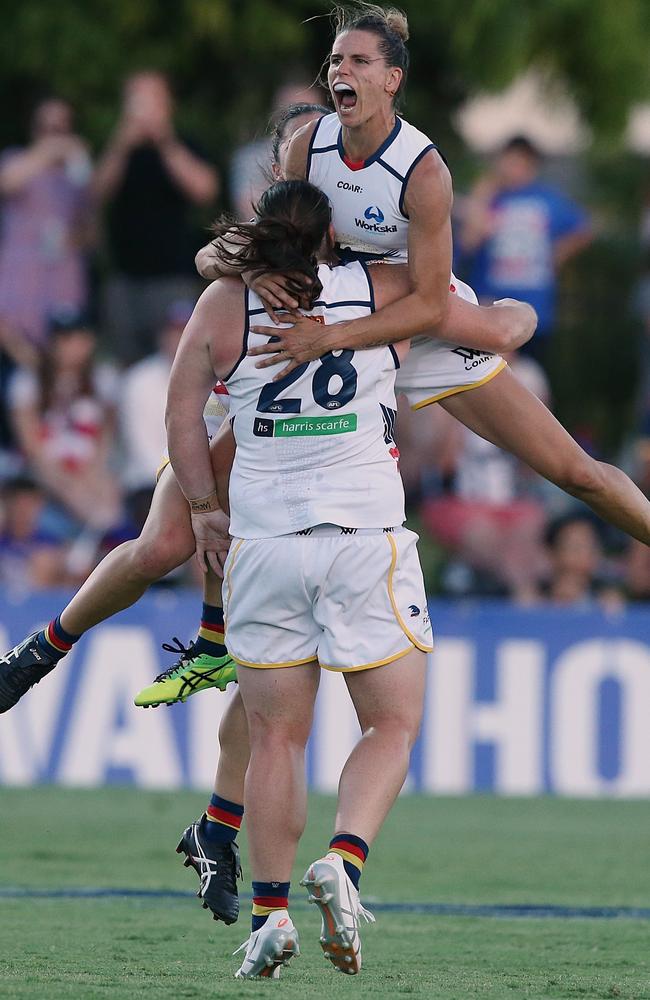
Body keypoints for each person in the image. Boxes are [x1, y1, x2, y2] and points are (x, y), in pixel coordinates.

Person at [167, 177, 434, 979]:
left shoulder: (223, 304)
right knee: (391, 726)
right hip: (362, 537)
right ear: (331, 237)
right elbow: (441, 292)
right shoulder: (376, 287)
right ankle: (344, 862)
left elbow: (182, 415)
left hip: (263, 542)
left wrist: (203, 508)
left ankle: (270, 915)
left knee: (276, 736)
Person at [94, 71, 218, 364]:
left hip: (173, 277)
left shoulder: (183, 144)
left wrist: (164, 140)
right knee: (126, 365)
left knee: (179, 364)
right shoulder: (119, 149)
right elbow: (96, 194)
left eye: (152, 100)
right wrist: (121, 144)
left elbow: (205, 190)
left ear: (168, 104)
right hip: (125, 279)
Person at [458, 134, 593, 370]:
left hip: (536, 306)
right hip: (491, 307)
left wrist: (558, 254)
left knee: (532, 380)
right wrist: (482, 194)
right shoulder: (490, 196)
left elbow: (582, 227)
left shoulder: (547, 199)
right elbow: (467, 243)